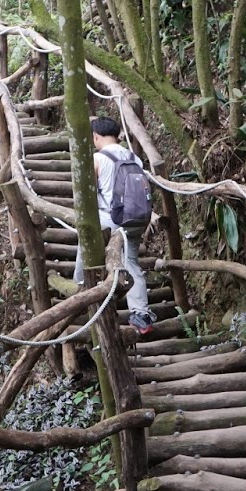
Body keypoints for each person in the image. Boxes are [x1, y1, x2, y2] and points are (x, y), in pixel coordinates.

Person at [72, 116, 158, 333]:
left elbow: (87, 194)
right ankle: (140, 313)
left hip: (110, 219)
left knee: (85, 248)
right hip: (137, 217)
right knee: (130, 261)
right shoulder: (134, 158)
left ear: (95, 136)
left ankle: (79, 291)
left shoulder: (97, 159)